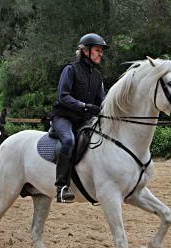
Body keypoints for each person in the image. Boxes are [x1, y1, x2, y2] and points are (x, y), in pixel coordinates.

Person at [49, 33, 108, 203]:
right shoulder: (70, 69)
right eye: (97, 50)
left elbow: (101, 101)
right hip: (63, 116)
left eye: (101, 51)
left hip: (84, 120)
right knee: (68, 140)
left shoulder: (97, 76)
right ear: (85, 51)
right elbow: (63, 96)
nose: (100, 54)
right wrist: (84, 105)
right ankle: (61, 187)